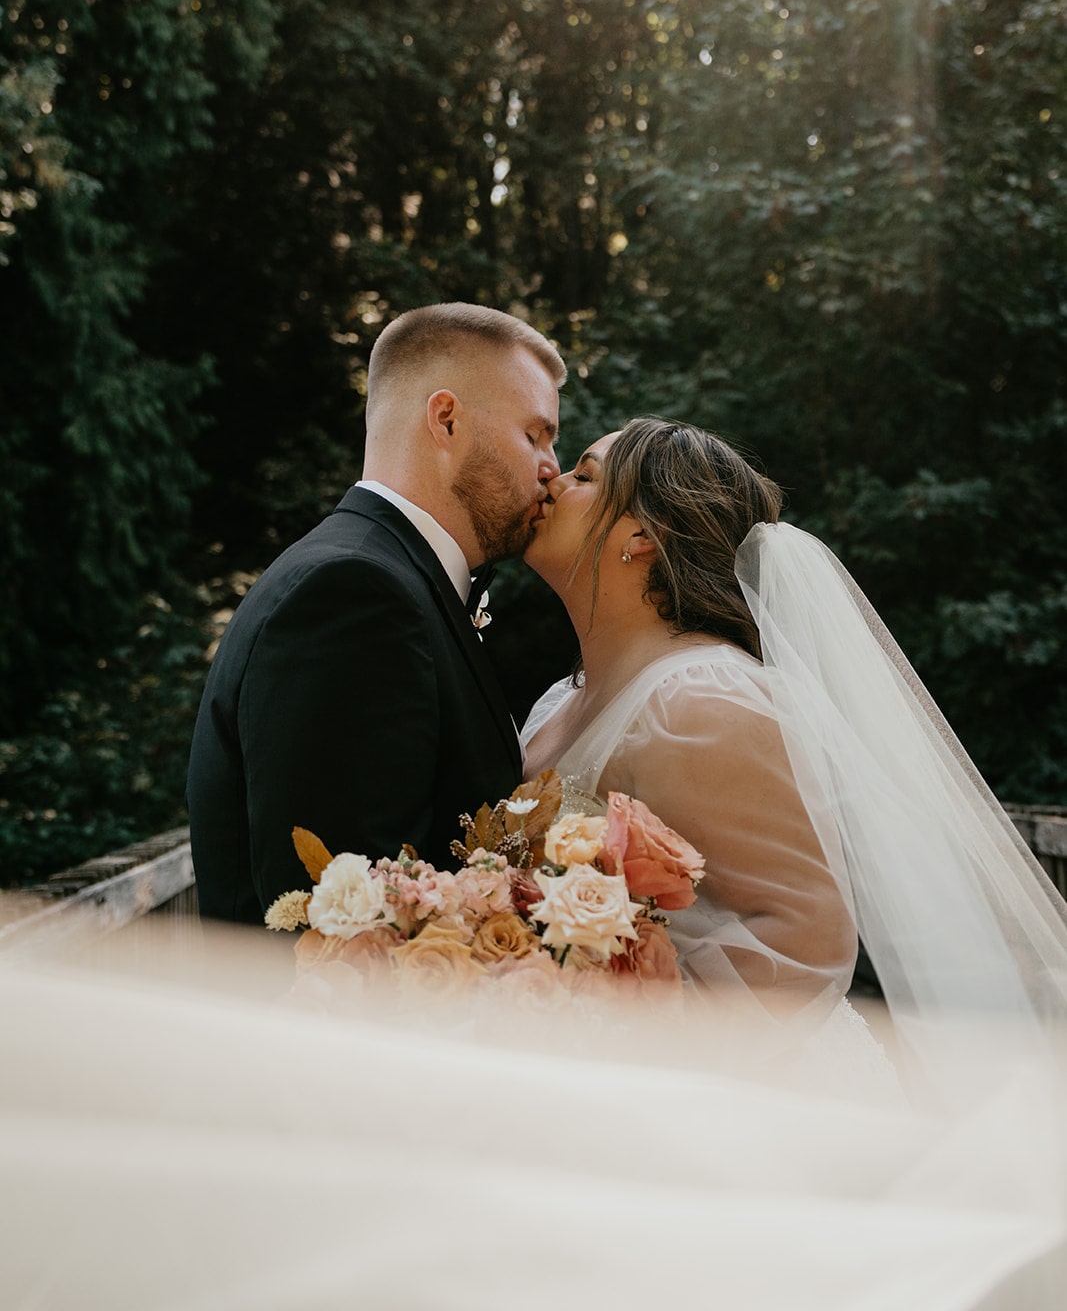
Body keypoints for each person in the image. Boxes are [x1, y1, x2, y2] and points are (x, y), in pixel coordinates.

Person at [521, 417, 1067, 1066]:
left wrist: (616, 1034)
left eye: (585, 474)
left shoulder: (701, 700)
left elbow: (803, 940)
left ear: (642, 534)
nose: (555, 479)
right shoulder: (562, 699)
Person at [187, 303, 565, 925]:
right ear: (446, 420)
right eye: (535, 435)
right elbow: (348, 936)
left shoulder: (382, 578)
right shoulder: (352, 595)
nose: (552, 466)